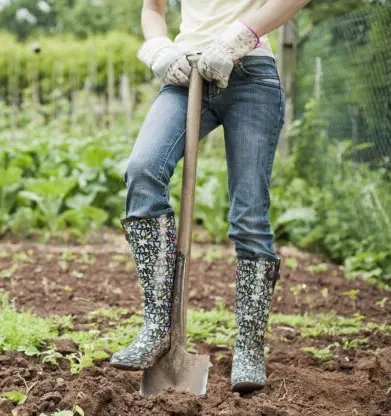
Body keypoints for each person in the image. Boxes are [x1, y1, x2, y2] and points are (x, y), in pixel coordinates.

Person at [109, 0, 310, 394]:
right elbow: (153, 9)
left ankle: (249, 346)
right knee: (142, 170)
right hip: (184, 74)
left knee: (249, 213)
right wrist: (160, 49)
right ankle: (158, 327)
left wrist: (241, 36)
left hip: (250, 74)